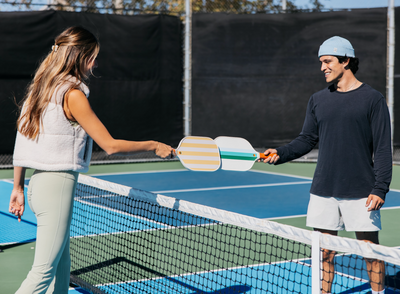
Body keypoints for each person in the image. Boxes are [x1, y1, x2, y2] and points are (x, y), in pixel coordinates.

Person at [8, 26, 173, 294]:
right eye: (93, 56)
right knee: (42, 272)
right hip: (56, 186)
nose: (95, 62)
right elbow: (109, 145)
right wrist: (154, 145)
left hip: (38, 186)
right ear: (79, 57)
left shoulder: (39, 90)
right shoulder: (72, 94)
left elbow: (22, 141)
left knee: (61, 265)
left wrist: (17, 187)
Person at [261, 36, 392, 294]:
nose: (323, 67)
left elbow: (383, 148)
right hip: (323, 190)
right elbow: (307, 139)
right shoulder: (318, 99)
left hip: (362, 193)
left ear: (346, 60)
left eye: (327, 61)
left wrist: (380, 188)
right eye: (321, 62)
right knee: (325, 254)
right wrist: (281, 153)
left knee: (371, 253)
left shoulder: (373, 99)